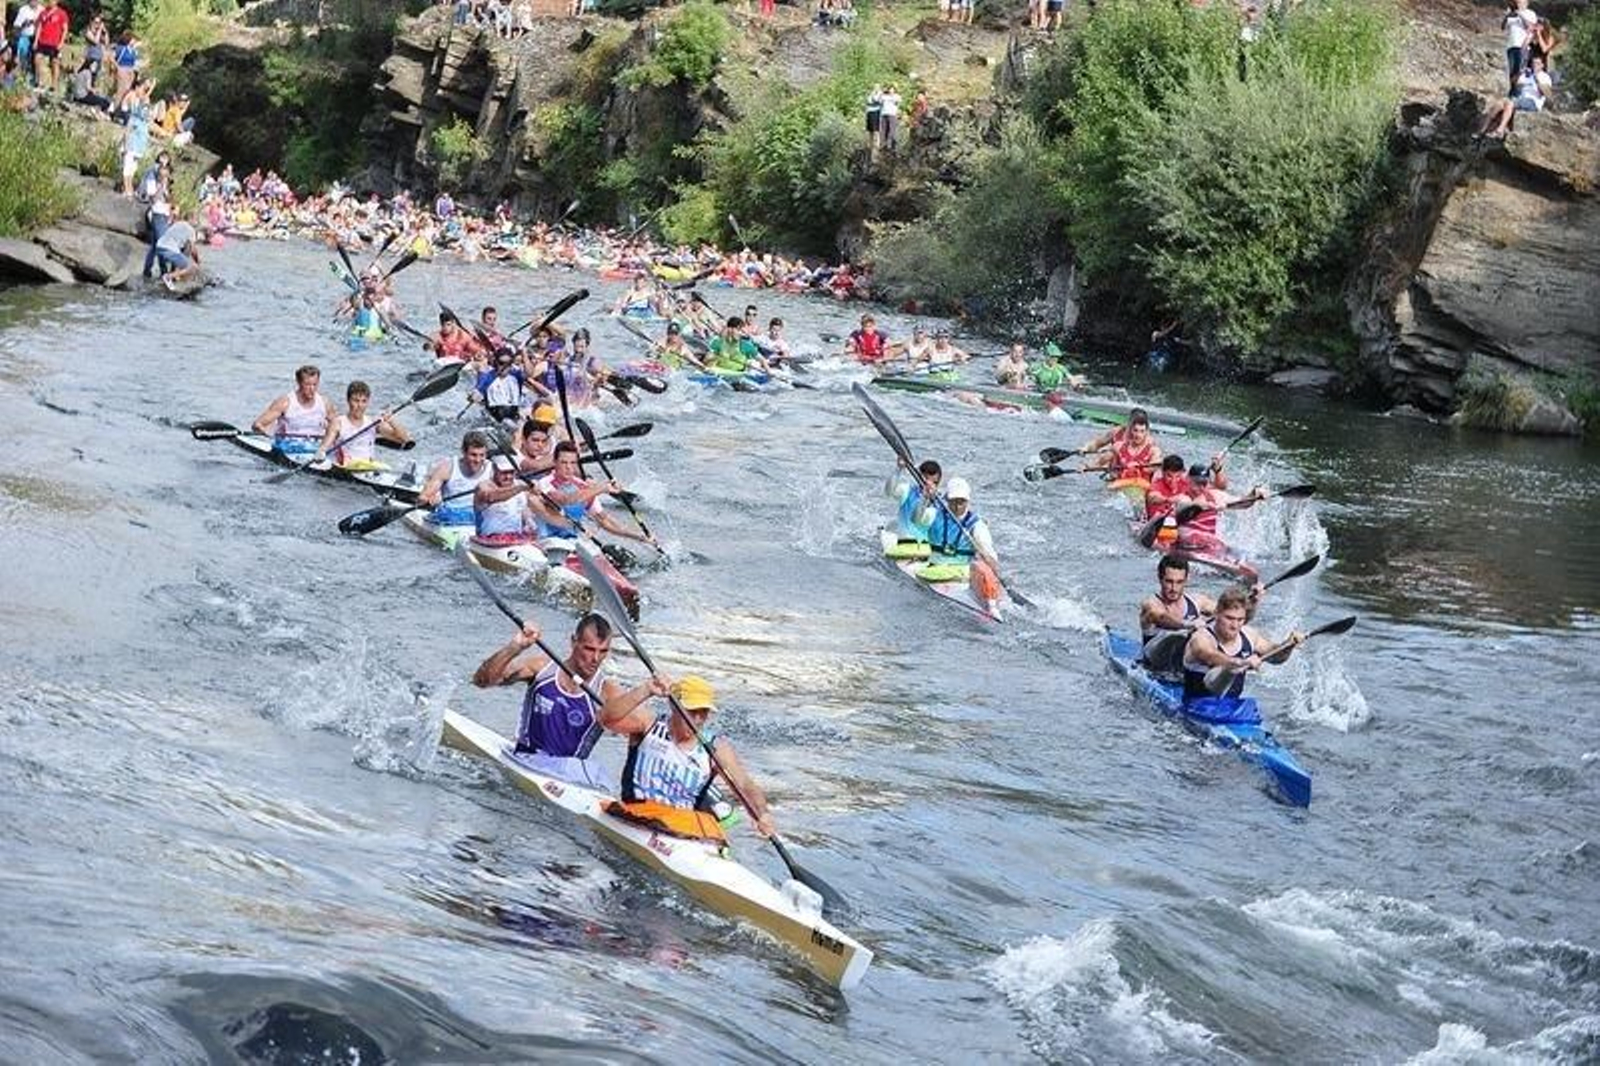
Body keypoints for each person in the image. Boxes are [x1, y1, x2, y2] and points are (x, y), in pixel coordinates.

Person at [471, 613, 668, 789]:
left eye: (603, 651)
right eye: (589, 649)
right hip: (525, 760)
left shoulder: (608, 692)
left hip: (569, 780)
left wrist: (649, 690)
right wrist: (515, 647)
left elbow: (648, 726)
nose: (596, 658)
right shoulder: (542, 668)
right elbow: (482, 681)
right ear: (573, 642)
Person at [612, 674, 776, 839]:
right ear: (673, 705)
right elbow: (607, 719)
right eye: (691, 711)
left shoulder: (716, 748)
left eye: (703, 712)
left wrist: (762, 813)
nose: (697, 720)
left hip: (681, 827)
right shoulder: (646, 725)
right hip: (636, 814)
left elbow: (745, 784)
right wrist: (645, 690)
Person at [1181, 587, 1304, 704]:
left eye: (1240, 619)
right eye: (1229, 618)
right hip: (1196, 708)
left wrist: (1288, 646)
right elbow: (1209, 655)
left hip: (1232, 709)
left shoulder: (1249, 635)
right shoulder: (1201, 638)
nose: (1235, 626)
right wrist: (1243, 663)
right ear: (1217, 613)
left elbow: (1276, 657)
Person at [530, 441, 654, 550]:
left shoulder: (582, 486)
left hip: (572, 543)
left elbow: (604, 520)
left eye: (573, 463)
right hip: (545, 542)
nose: (569, 467)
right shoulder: (545, 483)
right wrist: (602, 488)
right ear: (555, 462)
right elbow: (566, 500)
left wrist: (638, 536)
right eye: (564, 462)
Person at [252, 365, 338, 458]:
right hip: (288, 447)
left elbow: (337, 425)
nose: (312, 389)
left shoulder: (325, 403)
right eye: (308, 384)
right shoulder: (285, 402)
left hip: (317, 448)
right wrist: (268, 434)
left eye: (315, 384)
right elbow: (257, 424)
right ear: (299, 383)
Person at [417, 430, 494, 526]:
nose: (478, 460)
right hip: (450, 517)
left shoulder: (492, 470)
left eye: (482, 455)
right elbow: (422, 497)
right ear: (463, 452)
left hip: (478, 515)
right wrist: (430, 500)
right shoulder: (447, 468)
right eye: (473, 455)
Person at [331, 380, 409, 468]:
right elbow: (324, 446)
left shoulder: (373, 423)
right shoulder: (338, 423)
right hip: (345, 467)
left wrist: (392, 421)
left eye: (364, 401)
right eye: (356, 401)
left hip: (367, 468)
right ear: (348, 400)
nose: (360, 405)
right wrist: (321, 453)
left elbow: (404, 440)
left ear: (368, 402)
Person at [1478, 56, 1553, 139]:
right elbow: (1514, 82)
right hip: (1521, 99)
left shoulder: (1545, 77)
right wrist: (1520, 73)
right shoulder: (1528, 75)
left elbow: (1546, 93)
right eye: (1533, 63)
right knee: (1499, 103)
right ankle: (1483, 129)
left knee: (1510, 103)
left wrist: (1536, 78)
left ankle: (1500, 129)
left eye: (1537, 64)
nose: (1535, 65)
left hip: (1533, 101)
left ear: (1542, 65)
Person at [1081, 410, 1163, 482]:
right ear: (1130, 423)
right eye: (1135, 430)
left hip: (1140, 480)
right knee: (1111, 455)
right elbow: (1097, 445)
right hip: (1117, 474)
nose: (1138, 435)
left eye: (1142, 431)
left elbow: (1155, 465)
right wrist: (1086, 451)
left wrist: (1136, 467)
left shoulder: (1151, 445)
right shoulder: (1117, 434)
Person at [472, 456, 537, 543]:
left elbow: (522, 509)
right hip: (489, 539)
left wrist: (529, 520)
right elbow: (492, 497)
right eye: (504, 473)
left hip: (516, 537)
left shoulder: (519, 485)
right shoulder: (483, 486)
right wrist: (521, 488)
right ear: (494, 469)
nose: (508, 476)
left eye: (511, 472)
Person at [886, 458, 941, 542]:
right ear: (919, 477)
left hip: (923, 545)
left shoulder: (942, 502)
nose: (931, 485)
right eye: (926, 481)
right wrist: (899, 470)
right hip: (902, 540)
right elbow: (889, 492)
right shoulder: (907, 490)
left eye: (935, 483)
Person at [472, 347, 529, 424]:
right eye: (501, 363)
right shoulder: (488, 377)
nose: (505, 367)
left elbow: (529, 373)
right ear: (496, 363)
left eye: (508, 364)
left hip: (512, 415)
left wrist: (524, 354)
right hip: (494, 416)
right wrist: (475, 395)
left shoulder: (516, 375)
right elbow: (477, 391)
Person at [153, 213, 201, 286]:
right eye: (196, 220)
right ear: (191, 219)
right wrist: (197, 261)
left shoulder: (177, 223)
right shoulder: (191, 230)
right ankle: (168, 277)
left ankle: (168, 278)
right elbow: (193, 249)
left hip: (159, 246)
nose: (197, 222)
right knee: (191, 267)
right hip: (169, 249)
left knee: (179, 260)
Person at [30, 0, 67, 92]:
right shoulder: (43, 12)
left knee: (55, 63)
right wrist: (35, 41)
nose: (49, 2)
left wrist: (61, 43)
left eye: (51, 0)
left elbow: (65, 29)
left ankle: (54, 85)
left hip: (54, 43)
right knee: (37, 60)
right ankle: (39, 82)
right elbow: (39, 27)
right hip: (42, 41)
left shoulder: (61, 13)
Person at [1502, 0, 1539, 92]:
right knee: (1512, 70)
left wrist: (1520, 15)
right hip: (1511, 45)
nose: (1519, 4)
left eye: (1521, 2)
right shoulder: (1511, 13)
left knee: (1520, 70)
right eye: (1517, 2)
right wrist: (1507, 15)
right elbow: (1503, 27)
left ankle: (1519, 92)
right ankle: (1513, 91)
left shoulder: (1530, 13)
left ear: (1526, 3)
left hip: (1522, 45)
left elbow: (1530, 27)